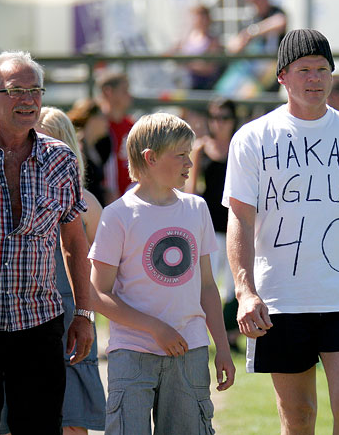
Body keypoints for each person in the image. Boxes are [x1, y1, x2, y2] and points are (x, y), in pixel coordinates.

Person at [223, 29, 339, 434]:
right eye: (304, 69)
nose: (315, 78)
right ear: (282, 76)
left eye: (323, 69)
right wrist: (244, 290)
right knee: (298, 415)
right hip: (280, 299)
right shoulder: (252, 138)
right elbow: (241, 219)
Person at [0, 51, 93, 434]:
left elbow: (75, 243)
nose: (28, 100)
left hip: (38, 325)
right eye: (16, 91)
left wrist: (84, 314)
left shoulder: (60, 159)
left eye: (35, 90)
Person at [89, 113, 235, 434]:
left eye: (190, 152)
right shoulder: (118, 216)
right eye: (181, 153)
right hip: (132, 354)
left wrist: (222, 348)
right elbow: (97, 294)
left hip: (190, 352)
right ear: (150, 158)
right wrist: (155, 328)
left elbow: (208, 287)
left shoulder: (197, 209)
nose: (189, 160)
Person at [0, 107, 107, 435]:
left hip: (71, 317)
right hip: (20, 316)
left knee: (73, 421)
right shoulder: (9, 196)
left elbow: (103, 272)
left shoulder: (86, 203)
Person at [185, 97, 241, 352]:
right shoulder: (200, 148)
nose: (219, 123)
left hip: (234, 226)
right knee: (206, 283)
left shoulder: (239, 147)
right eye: (215, 117)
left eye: (225, 117)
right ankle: (203, 333)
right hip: (208, 227)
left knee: (233, 286)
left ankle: (231, 335)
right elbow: (191, 189)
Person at [97, 71, 134, 202]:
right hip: (103, 200)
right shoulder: (97, 126)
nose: (129, 95)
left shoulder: (132, 125)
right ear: (108, 92)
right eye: (124, 91)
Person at [68, 97, 112, 206]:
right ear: (93, 119)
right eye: (103, 117)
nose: (107, 122)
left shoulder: (98, 147)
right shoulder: (78, 149)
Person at [168, 5, 223, 90]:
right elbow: (170, 53)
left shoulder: (213, 42)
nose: (199, 21)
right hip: (183, 81)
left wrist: (186, 64)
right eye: (196, 18)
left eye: (202, 18)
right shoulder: (185, 39)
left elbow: (210, 68)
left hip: (201, 84)